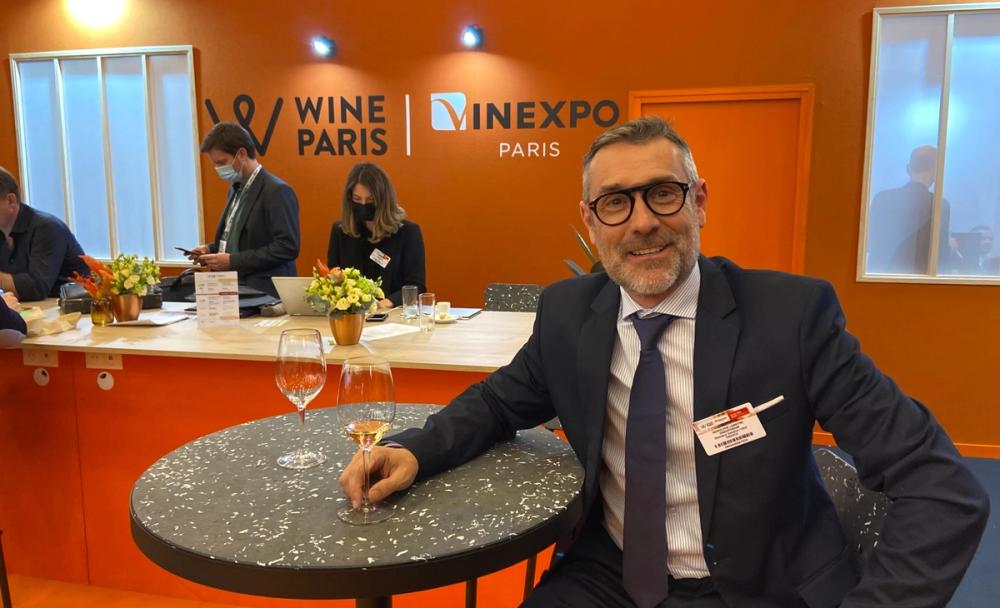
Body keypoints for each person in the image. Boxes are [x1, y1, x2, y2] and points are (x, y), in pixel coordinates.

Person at [340, 117, 989, 608]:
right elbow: (498, 401)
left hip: (757, 586)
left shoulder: (791, 318)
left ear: (699, 201)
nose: (642, 223)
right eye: (615, 203)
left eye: (664, 195)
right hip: (610, 572)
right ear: (590, 221)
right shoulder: (568, 313)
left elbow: (941, 487)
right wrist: (415, 450)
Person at [189, 122, 300, 296]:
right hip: (232, 288)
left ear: (241, 154)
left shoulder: (277, 191)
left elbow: (287, 247)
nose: (218, 169)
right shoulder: (235, 189)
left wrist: (233, 261)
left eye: (221, 162)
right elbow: (239, 239)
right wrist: (210, 249)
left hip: (265, 292)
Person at [327, 162, 426, 308]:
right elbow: (334, 278)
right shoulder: (341, 231)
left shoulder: (408, 233)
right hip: (352, 315)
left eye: (371, 200)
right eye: (357, 199)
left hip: (392, 314)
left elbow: (416, 287)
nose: (363, 204)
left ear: (383, 200)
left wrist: (384, 304)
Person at [0, 166, 89, 301]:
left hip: (71, 307)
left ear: (11, 201)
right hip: (31, 307)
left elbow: (37, 288)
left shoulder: (46, 227)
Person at [867, 145, 954, 274]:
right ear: (936, 172)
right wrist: (950, 246)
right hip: (919, 280)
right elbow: (941, 256)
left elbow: (870, 243)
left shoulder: (881, 198)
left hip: (879, 276)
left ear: (908, 168)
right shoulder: (940, 205)